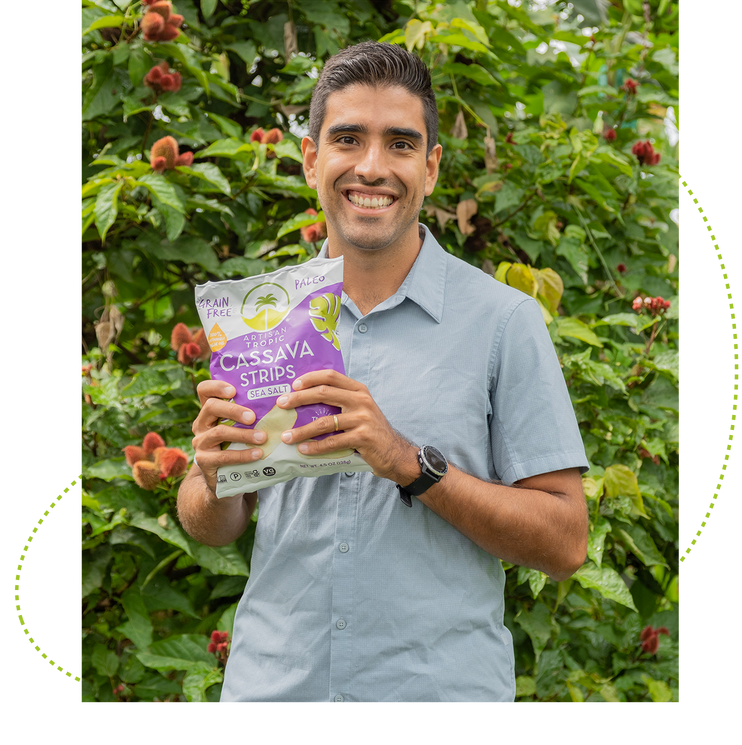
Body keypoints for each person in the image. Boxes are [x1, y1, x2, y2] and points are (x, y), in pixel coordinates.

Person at [177, 41, 589, 705]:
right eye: (347, 139)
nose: (371, 167)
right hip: (274, 690)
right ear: (312, 159)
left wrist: (408, 463)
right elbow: (212, 522)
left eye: (399, 144)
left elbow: (565, 542)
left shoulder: (504, 322)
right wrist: (211, 476)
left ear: (429, 166)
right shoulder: (259, 316)